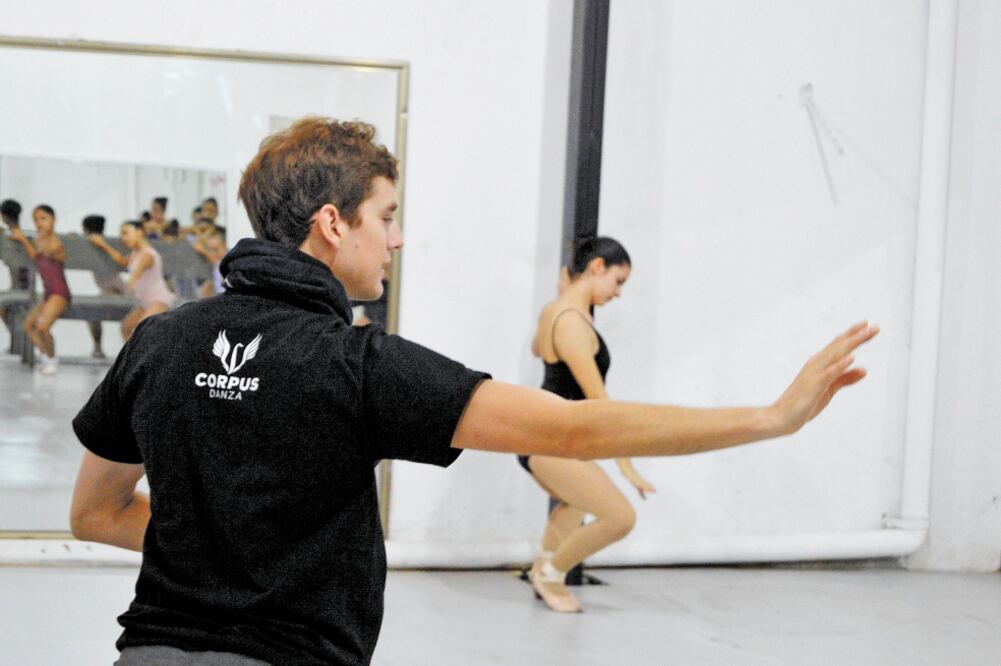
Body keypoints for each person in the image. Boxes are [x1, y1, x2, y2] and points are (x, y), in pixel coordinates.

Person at [69, 117, 878, 666]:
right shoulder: (356, 365)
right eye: (385, 215)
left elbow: (95, 513)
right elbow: (571, 430)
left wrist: (222, 551)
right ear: (331, 223)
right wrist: (770, 417)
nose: (396, 236)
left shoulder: (160, 342)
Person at [518, 236, 657, 612]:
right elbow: (601, 405)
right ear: (597, 267)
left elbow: (536, 349)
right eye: (618, 281)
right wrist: (627, 465)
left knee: (574, 504)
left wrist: (565, 292)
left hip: (543, 437)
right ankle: (550, 574)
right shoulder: (572, 325)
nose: (619, 293)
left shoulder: (556, 311)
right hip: (550, 440)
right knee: (620, 517)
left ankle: (541, 569)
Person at [8, 204, 70, 374]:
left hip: (59, 293)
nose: (39, 223)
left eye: (43, 218)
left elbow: (40, 253)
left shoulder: (54, 242)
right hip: (48, 294)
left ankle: (52, 358)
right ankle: (45, 357)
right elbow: (36, 254)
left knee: (42, 327)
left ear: (54, 219)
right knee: (28, 325)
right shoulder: (39, 240)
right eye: (36, 219)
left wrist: (22, 239)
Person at [88, 220, 175, 340]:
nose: (123, 238)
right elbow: (123, 261)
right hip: (145, 301)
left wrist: (129, 286)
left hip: (158, 300)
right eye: (121, 234)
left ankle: (146, 358)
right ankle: (133, 358)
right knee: (126, 328)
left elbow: (137, 274)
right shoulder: (136, 253)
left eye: (126, 233)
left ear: (139, 232)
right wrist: (104, 245)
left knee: (142, 332)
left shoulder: (147, 255)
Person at [81, 215, 126, 359]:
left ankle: (97, 347)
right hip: (112, 288)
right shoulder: (98, 244)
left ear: (86, 229)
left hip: (116, 289)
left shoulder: (101, 245)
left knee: (92, 310)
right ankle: (98, 347)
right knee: (92, 310)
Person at [1, 199, 31, 350]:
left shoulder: (9, 238)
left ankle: (17, 341)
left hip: (20, 288)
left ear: (4, 217)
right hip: (24, 286)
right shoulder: (26, 236)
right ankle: (18, 340)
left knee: (3, 306)